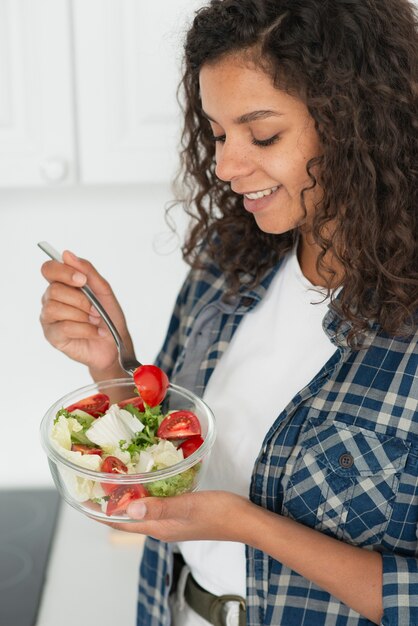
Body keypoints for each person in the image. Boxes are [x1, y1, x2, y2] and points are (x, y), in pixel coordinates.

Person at [39, 0, 418, 624]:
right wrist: (114, 363)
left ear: (358, 123)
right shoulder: (228, 262)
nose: (225, 166)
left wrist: (246, 524)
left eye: (262, 135)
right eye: (217, 133)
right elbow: (166, 445)